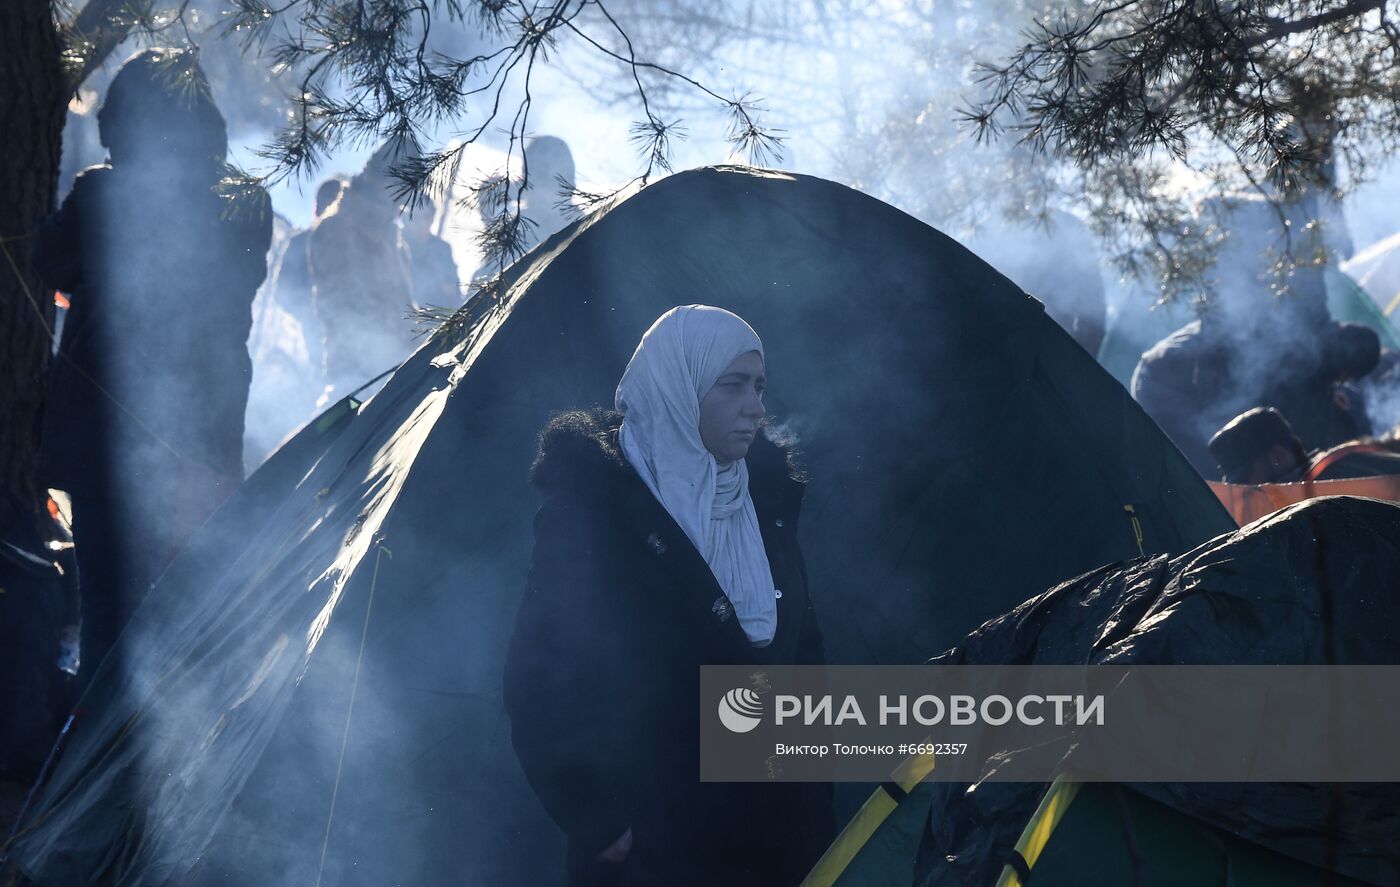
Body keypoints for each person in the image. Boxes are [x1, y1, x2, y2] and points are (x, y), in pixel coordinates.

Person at [503, 305, 834, 885]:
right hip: (656, 847)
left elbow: (802, 655)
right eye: (732, 385)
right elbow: (540, 677)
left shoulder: (765, 507)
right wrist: (598, 818)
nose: (755, 405)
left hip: (774, 841)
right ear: (678, 388)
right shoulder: (595, 514)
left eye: (758, 386)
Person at [34, 48, 272, 683]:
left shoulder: (99, 195)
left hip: (107, 440)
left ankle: (103, 763)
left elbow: (49, 267)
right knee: (192, 603)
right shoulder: (246, 202)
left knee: (110, 607)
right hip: (202, 433)